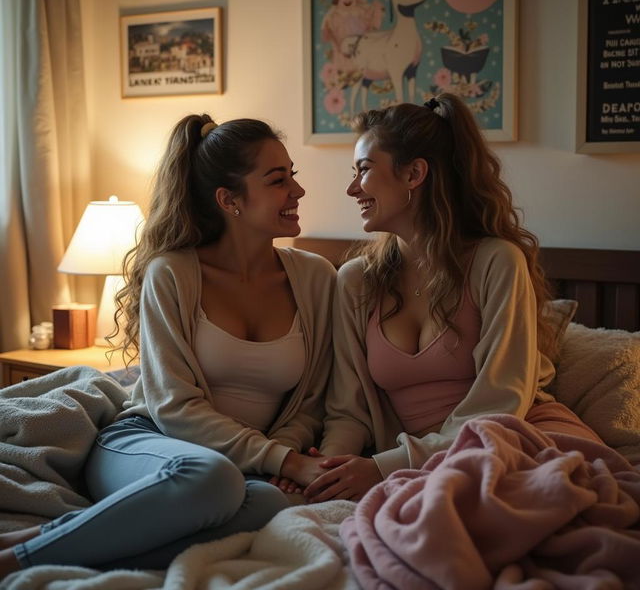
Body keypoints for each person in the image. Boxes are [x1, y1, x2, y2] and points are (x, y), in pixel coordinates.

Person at [0, 114, 335, 577]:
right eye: (279, 181)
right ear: (229, 200)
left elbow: (311, 402)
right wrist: (284, 459)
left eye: (292, 176)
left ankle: (59, 537)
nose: (297, 191)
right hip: (149, 443)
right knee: (212, 477)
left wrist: (281, 455)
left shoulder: (317, 277)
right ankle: (15, 561)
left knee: (270, 503)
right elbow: (172, 405)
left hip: (247, 470)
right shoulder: (174, 273)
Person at [305, 95, 603, 503]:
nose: (352, 188)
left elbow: (501, 401)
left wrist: (384, 466)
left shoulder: (496, 261)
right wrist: (328, 470)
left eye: (364, 170)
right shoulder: (356, 281)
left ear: (414, 174)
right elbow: (347, 409)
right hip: (412, 462)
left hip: (508, 437)